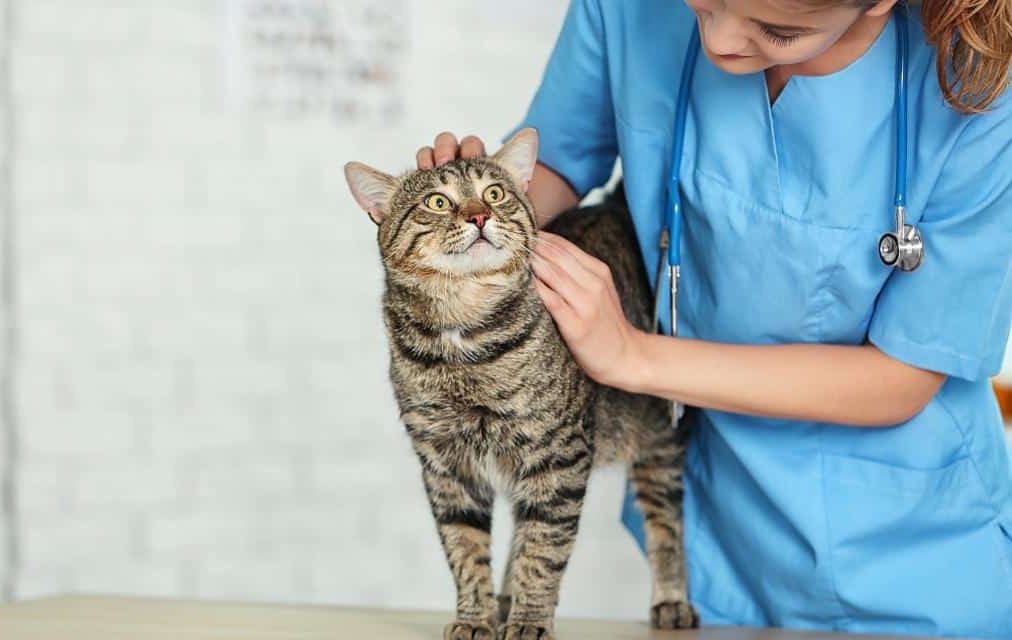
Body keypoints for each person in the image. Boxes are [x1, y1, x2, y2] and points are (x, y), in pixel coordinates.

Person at [413, 0, 1012, 637]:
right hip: (715, 537)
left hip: (914, 557)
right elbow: (557, 160)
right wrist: (476, 213)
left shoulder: (980, 91)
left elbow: (904, 375)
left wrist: (633, 356)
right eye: (699, 3)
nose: (721, 44)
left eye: (779, 30)